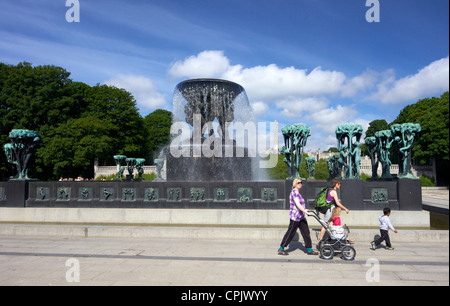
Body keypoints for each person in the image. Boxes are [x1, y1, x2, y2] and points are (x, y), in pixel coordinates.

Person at [278, 178, 318, 256]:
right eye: (299, 183)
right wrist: (304, 211)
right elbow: (297, 204)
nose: (300, 184)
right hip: (295, 217)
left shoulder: (298, 193)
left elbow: (301, 205)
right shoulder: (294, 192)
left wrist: (305, 210)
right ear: (295, 184)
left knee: (306, 232)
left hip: (301, 217)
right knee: (290, 233)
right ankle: (281, 248)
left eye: (301, 183)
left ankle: (309, 249)